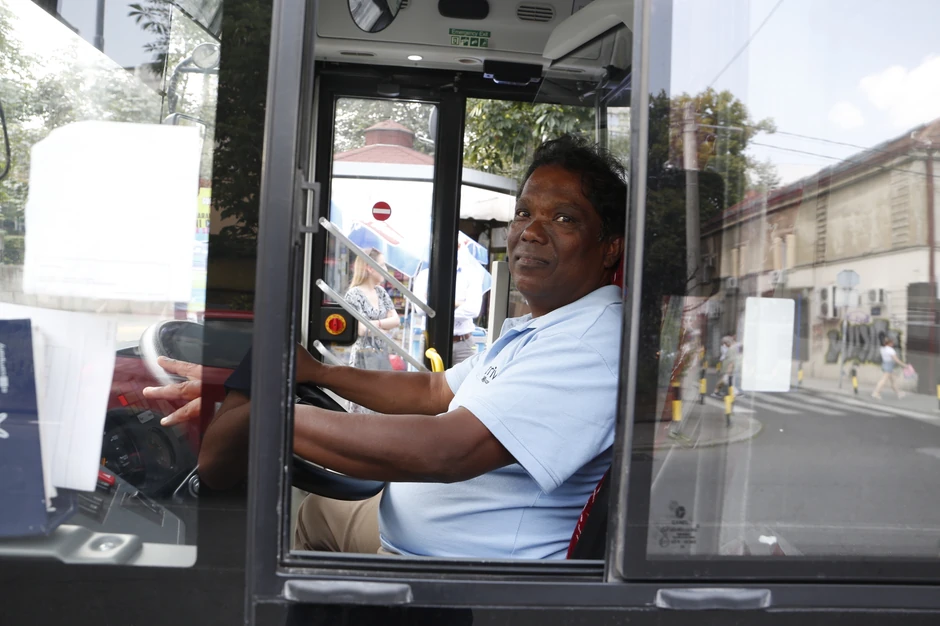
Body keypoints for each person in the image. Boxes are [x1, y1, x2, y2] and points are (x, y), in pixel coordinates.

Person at [143, 135, 626, 559]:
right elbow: (437, 390)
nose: (530, 231)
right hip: (412, 531)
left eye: (564, 218)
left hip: (462, 578)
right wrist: (316, 373)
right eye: (524, 212)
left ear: (611, 247)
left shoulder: (591, 344)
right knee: (316, 513)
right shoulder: (543, 327)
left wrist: (266, 415)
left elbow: (448, 451)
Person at [344, 248, 400, 370]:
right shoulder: (353, 294)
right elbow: (361, 330)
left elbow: (396, 320)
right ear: (370, 268)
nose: (385, 269)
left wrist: (374, 324)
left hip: (381, 355)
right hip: (362, 358)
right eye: (382, 265)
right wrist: (384, 327)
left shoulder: (381, 292)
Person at [452, 238, 486, 364]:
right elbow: (423, 309)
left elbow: (473, 309)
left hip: (464, 343)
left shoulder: (471, 274)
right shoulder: (427, 274)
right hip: (434, 339)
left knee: (465, 382)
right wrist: (458, 303)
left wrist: (441, 313)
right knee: (431, 382)